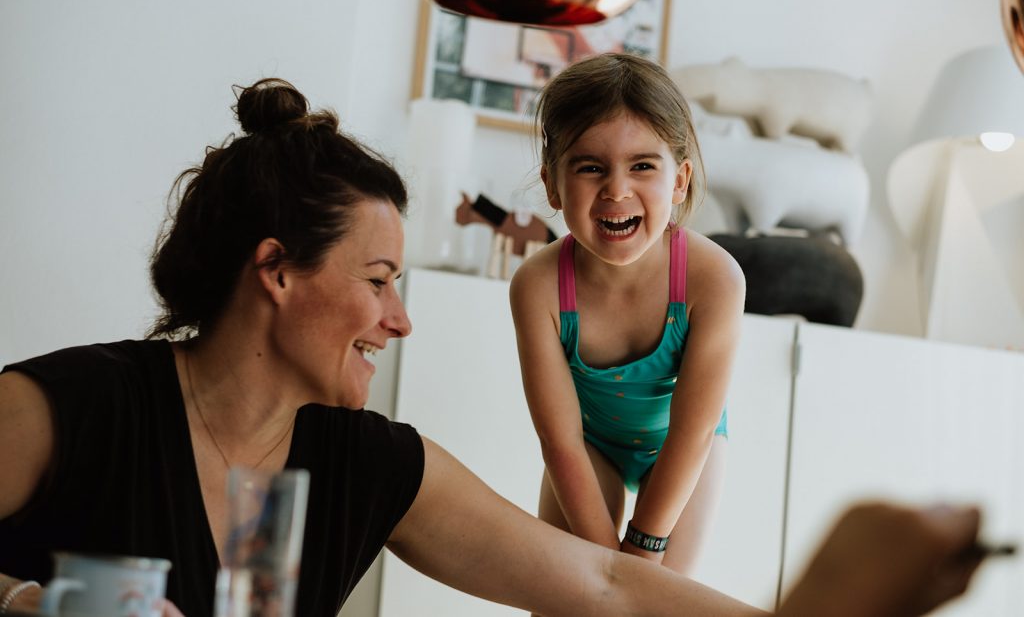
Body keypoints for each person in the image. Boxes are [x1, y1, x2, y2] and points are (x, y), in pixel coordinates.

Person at [0, 78, 988, 617]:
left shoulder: (368, 462)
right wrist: (25, 599)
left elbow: (602, 583)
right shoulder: (76, 406)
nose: (401, 318)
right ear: (278, 270)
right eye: (380, 280)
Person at [510, 52, 740, 584]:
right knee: (568, 594)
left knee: (657, 598)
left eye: (642, 165)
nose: (617, 190)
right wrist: (606, 572)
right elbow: (560, 438)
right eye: (590, 167)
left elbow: (694, 428)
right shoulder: (538, 287)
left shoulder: (714, 278)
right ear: (552, 184)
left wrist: (643, 548)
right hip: (588, 445)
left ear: (679, 181)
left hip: (682, 447)